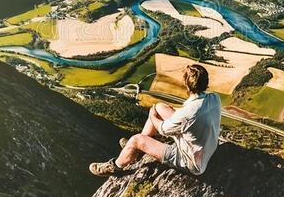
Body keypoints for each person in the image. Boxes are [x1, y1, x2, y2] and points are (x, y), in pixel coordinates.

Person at [89, 64, 222, 177]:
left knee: (136, 139)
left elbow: (163, 128)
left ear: (187, 84)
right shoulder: (214, 98)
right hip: (206, 147)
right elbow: (190, 113)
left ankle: (115, 167)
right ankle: (137, 151)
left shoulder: (186, 114)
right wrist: (165, 110)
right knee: (159, 107)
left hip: (190, 162)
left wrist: (152, 116)